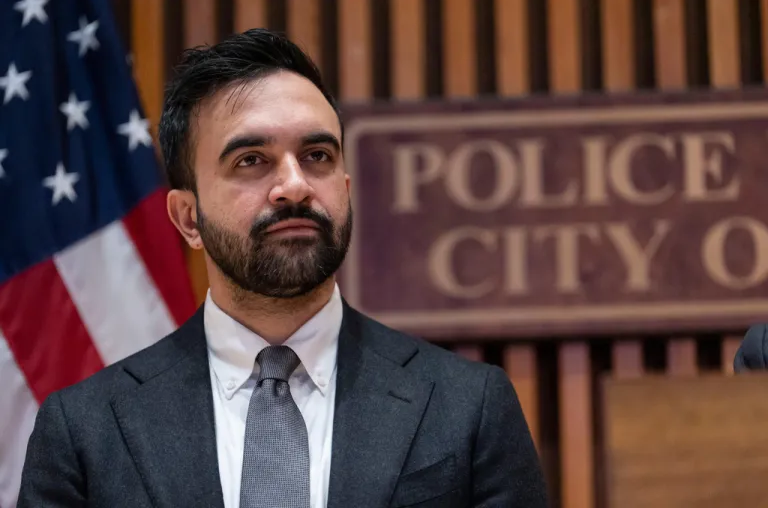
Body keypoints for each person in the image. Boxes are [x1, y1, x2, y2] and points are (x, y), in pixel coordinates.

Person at [17, 28, 548, 508]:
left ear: (344, 189)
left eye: (317, 155)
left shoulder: (469, 407)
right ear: (188, 218)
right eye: (251, 160)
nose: (294, 185)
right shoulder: (84, 430)